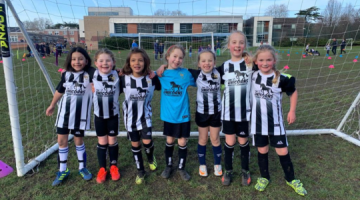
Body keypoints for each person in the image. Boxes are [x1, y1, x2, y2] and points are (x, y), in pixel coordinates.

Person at [250, 44, 307, 196]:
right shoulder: (253, 75)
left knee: (282, 151)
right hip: (257, 124)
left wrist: (292, 111)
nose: (265, 63)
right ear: (256, 61)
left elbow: (293, 92)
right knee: (262, 150)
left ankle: (291, 178)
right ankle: (264, 177)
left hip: (276, 123)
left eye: (269, 59)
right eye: (261, 60)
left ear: (274, 60)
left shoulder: (282, 78)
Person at [45, 47, 94, 186]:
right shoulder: (66, 75)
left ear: (86, 60)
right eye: (74, 59)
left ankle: (82, 167)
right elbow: (60, 90)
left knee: (79, 141)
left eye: (80, 59)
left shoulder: (91, 73)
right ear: (69, 60)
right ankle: (62, 170)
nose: (77, 62)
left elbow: (106, 69)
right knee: (61, 142)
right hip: (64, 115)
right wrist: (52, 105)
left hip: (81, 116)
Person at [216, 30, 253, 186]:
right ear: (228, 45)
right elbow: (205, 73)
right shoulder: (224, 67)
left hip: (245, 113)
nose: (238, 45)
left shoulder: (251, 63)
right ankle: (229, 170)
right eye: (234, 42)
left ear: (245, 45)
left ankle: (245, 170)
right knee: (230, 141)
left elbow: (268, 65)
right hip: (228, 113)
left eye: (241, 42)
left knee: (243, 141)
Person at [155, 45, 196, 181]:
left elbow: (202, 76)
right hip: (169, 115)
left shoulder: (186, 74)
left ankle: (181, 168)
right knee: (170, 140)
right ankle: (169, 166)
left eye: (180, 58)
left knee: (182, 141)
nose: (177, 60)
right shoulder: (161, 74)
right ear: (167, 57)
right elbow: (147, 75)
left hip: (183, 115)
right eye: (174, 56)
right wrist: (162, 67)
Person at [121, 48, 161, 184]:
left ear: (145, 62)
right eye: (133, 60)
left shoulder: (151, 78)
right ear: (129, 63)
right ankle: (140, 170)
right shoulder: (123, 78)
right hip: (130, 118)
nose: (137, 63)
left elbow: (164, 82)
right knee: (136, 143)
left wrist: (160, 69)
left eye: (140, 60)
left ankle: (150, 158)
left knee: (147, 142)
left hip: (146, 117)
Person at [189, 50, 223, 177]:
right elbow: (176, 70)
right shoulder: (196, 74)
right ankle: (202, 165)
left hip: (216, 113)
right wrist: (162, 67)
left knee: (215, 139)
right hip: (202, 113)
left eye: (210, 60)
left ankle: (217, 164)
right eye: (203, 61)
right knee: (203, 139)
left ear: (215, 62)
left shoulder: (220, 72)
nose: (207, 63)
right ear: (198, 63)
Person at [92, 48, 121, 184]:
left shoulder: (117, 75)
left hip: (113, 116)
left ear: (113, 62)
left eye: (108, 60)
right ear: (96, 63)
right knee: (102, 142)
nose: (105, 63)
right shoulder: (92, 74)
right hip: (99, 117)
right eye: (101, 61)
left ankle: (114, 166)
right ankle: (102, 168)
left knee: (112, 141)